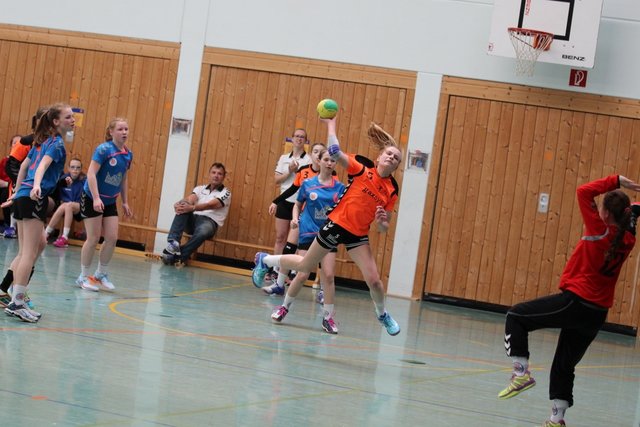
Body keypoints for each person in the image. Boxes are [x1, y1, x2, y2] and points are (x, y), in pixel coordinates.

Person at [498, 175, 640, 427]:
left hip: (577, 301)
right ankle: (557, 419)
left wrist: (617, 180)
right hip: (597, 313)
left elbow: (584, 191)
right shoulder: (629, 238)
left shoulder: (599, 230)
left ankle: (520, 373)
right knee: (564, 364)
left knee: (516, 316)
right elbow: (633, 215)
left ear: (606, 214)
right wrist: (633, 208)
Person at [253, 117, 403, 336]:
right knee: (305, 265)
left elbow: (384, 227)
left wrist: (381, 222)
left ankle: (382, 315)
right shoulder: (362, 169)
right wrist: (331, 124)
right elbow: (334, 151)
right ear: (379, 157)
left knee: (375, 281)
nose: (391, 157)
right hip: (337, 224)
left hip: (358, 235)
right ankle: (265, 260)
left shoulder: (391, 189)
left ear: (396, 166)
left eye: (396, 158)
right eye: (388, 153)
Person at [3, 103, 75, 322]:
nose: (73, 120)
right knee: (28, 253)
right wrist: (35, 186)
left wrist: (16, 192)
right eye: (68, 117)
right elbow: (42, 166)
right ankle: (17, 302)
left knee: (29, 250)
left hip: (24, 196)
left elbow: (25, 166)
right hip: (34, 197)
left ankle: (15, 296)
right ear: (56, 121)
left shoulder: (40, 142)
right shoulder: (55, 144)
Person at [270, 148, 344, 333]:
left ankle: (328, 317)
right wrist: (295, 218)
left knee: (328, 275)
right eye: (326, 159)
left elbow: (343, 211)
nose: (329, 163)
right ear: (318, 161)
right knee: (302, 273)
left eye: (332, 160)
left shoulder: (340, 187)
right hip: (308, 232)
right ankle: (284, 307)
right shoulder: (308, 184)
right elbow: (297, 204)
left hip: (328, 234)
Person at [75, 118, 133, 292]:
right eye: (120, 129)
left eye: (126, 129)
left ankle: (100, 275)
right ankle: (83, 276)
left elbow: (123, 178)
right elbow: (91, 174)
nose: (124, 132)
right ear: (111, 132)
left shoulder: (128, 154)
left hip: (110, 200)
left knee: (112, 238)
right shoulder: (104, 149)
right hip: (91, 197)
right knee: (93, 238)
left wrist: (125, 202)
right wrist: (95, 198)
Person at [261, 142, 326, 295]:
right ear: (312, 155)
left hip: (321, 219)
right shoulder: (304, 173)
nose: (318, 155)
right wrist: (276, 201)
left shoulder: (331, 176)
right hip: (305, 216)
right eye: (315, 151)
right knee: (289, 247)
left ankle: (323, 291)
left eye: (321, 152)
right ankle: (279, 284)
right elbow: (293, 190)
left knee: (323, 254)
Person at [161, 162, 231, 266]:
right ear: (209, 174)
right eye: (214, 172)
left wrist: (192, 207)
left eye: (219, 174)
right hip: (193, 220)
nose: (216, 175)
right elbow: (190, 199)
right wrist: (180, 203)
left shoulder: (226, 193)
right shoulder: (200, 188)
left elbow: (211, 205)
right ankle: (173, 243)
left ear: (223, 177)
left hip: (209, 222)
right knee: (183, 206)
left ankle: (180, 257)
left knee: (203, 231)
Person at [269, 129, 312, 279]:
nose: (299, 139)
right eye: (297, 136)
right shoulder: (283, 158)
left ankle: (293, 271)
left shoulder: (309, 160)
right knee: (280, 237)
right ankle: (275, 269)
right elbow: (277, 180)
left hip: (300, 204)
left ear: (305, 141)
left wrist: (298, 172)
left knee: (296, 240)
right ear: (292, 139)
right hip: (284, 201)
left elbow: (307, 182)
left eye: (302, 137)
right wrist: (289, 170)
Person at [3, 107, 49, 238]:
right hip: (23, 182)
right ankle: (12, 226)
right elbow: (11, 164)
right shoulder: (26, 141)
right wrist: (23, 182)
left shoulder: (51, 142)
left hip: (39, 185)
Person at [45, 157, 86, 247]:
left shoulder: (84, 180)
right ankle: (46, 234)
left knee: (68, 205)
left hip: (81, 209)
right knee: (65, 206)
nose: (75, 170)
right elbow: (59, 196)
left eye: (78, 168)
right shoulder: (64, 179)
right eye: (73, 167)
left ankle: (65, 237)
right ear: (68, 168)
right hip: (66, 207)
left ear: (81, 169)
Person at [0, 135, 21, 232]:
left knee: (7, 194)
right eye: (15, 143)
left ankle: (9, 224)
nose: (17, 145)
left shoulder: (24, 162)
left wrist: (8, 185)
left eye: (20, 143)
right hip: (4, 186)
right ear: (11, 146)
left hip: (15, 188)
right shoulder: (5, 161)